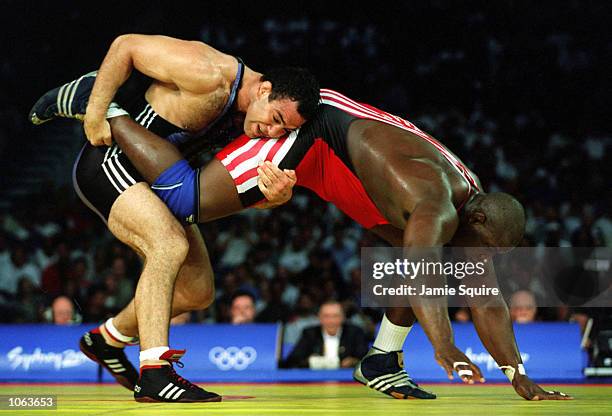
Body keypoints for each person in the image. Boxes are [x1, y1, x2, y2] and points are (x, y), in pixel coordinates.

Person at [99, 87, 571, 401]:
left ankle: (382, 358)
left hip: (353, 174)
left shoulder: (471, 209)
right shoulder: (434, 202)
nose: (480, 261)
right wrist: (444, 346)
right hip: (316, 136)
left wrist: (517, 374)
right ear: (479, 216)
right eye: (485, 249)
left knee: (441, 262)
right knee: (187, 197)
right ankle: (109, 109)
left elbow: (483, 295)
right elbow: (424, 271)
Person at [30, 34, 319, 403]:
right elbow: (125, 46)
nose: (273, 132)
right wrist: (96, 110)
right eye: (276, 118)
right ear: (263, 89)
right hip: (111, 163)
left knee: (197, 291)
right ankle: (155, 373)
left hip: (164, 183)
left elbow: (230, 193)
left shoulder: (252, 123)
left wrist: (272, 199)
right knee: (167, 245)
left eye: (285, 130)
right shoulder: (207, 71)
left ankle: (106, 339)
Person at [282, 301, 368, 369]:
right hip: (315, 380)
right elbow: (293, 360)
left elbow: (366, 360)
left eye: (335, 316)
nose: (331, 321)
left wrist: (353, 362)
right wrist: (309, 361)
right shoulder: (310, 333)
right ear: (319, 318)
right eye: (326, 316)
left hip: (347, 379)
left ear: (343, 317)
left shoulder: (355, 332)